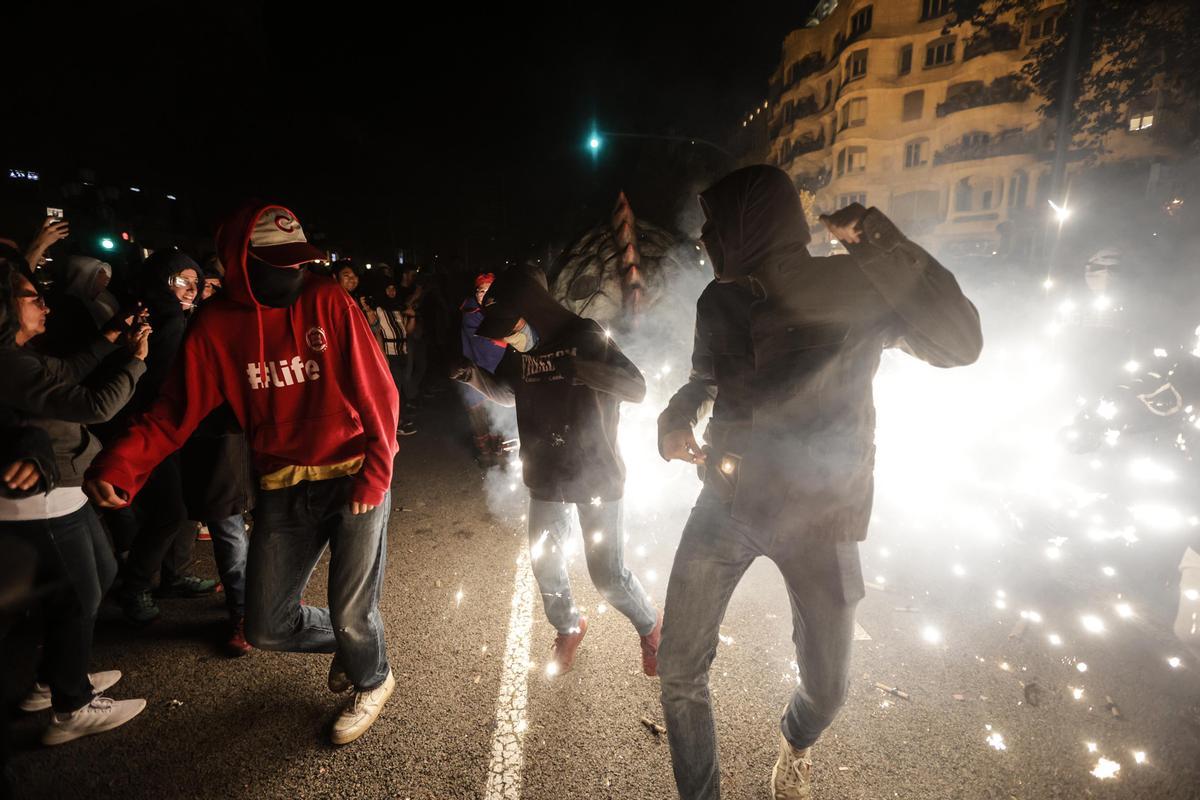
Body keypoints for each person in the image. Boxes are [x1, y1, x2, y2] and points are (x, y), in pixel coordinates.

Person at [656, 165, 982, 800]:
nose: (706, 239)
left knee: (828, 687)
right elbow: (703, 381)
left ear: (751, 225)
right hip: (726, 502)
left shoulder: (856, 284)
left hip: (822, 515)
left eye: (716, 226)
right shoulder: (717, 299)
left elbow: (960, 344)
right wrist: (674, 416)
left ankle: (797, 739)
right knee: (678, 668)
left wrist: (877, 239)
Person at [85, 203, 400, 745]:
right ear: (238, 261)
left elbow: (380, 392)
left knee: (352, 610)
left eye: (298, 262)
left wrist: (376, 473)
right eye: (277, 264)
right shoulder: (214, 326)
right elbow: (174, 411)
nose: (292, 274)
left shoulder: (325, 298)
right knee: (266, 625)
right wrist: (121, 465)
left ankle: (372, 675)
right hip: (282, 484)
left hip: (353, 475)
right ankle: (358, 641)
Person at [455, 267, 662, 675]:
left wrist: (582, 370)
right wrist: (470, 374)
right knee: (545, 562)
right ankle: (569, 626)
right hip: (546, 475)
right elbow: (509, 393)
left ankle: (652, 626)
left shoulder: (587, 336)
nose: (507, 339)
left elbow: (636, 388)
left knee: (608, 576)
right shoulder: (522, 352)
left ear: (534, 309)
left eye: (511, 327)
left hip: (597, 474)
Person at [0, 252, 151, 746]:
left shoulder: (22, 355)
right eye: (30, 296)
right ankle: (71, 705)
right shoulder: (9, 365)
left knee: (101, 575)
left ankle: (50, 679)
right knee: (79, 596)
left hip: (65, 490)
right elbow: (94, 404)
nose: (43, 303)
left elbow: (66, 369)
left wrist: (110, 339)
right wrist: (134, 362)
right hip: (39, 504)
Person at [106, 251, 216, 624]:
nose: (190, 289)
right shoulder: (167, 320)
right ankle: (135, 586)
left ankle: (174, 575)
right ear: (162, 281)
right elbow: (161, 385)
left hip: (165, 429)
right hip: (154, 428)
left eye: (195, 282)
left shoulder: (166, 315)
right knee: (169, 512)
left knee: (181, 506)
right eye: (180, 281)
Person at [459, 273, 506, 465]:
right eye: (481, 291)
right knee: (479, 417)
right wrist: (507, 340)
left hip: (498, 373)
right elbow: (482, 342)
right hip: (476, 372)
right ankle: (485, 453)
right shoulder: (470, 314)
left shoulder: (500, 311)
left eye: (488, 291)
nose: (484, 295)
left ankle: (500, 452)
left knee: (499, 415)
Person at [374, 281, 416, 436]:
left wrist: (412, 317)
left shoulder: (397, 309)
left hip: (402, 353)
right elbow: (376, 332)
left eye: (393, 288)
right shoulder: (377, 310)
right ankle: (397, 423)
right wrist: (382, 355)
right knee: (395, 389)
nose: (392, 291)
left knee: (401, 388)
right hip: (389, 354)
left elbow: (407, 331)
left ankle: (399, 419)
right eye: (388, 288)